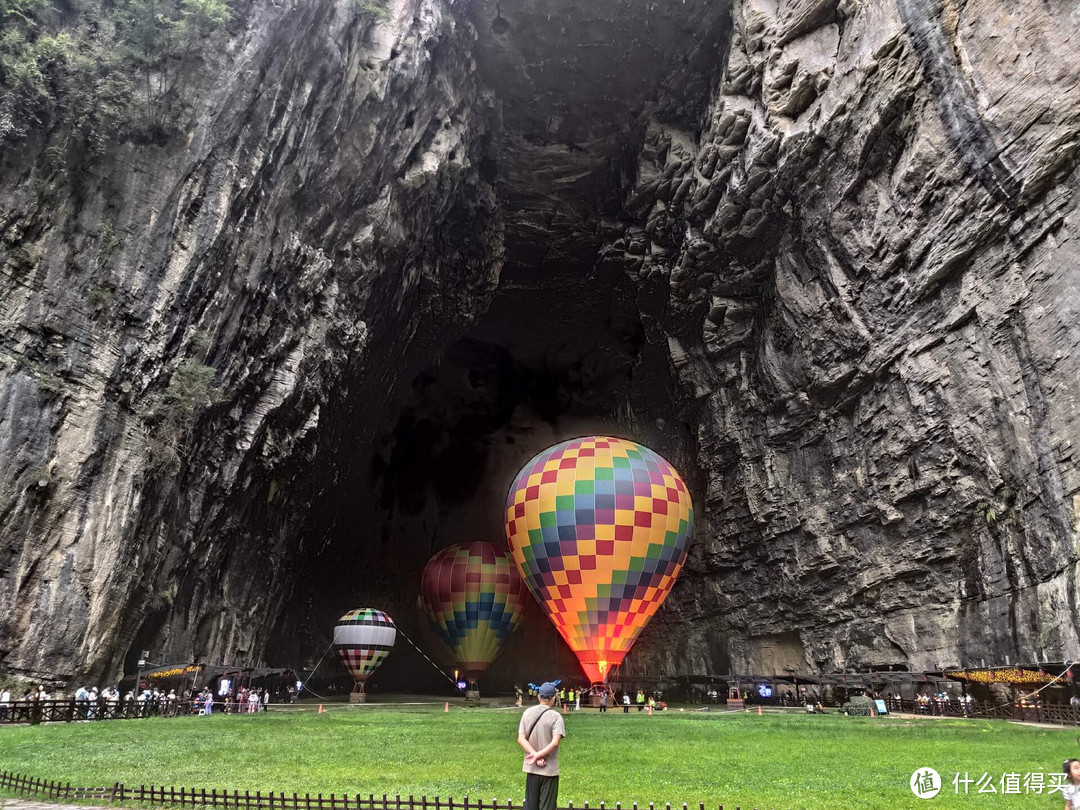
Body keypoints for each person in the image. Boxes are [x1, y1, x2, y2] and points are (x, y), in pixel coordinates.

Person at [517, 682, 565, 810]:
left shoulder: (527, 713)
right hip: (549, 770)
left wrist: (535, 756)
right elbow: (555, 742)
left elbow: (521, 739)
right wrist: (539, 755)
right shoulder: (556, 717)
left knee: (531, 806)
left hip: (532, 769)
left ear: (539, 697)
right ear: (554, 697)